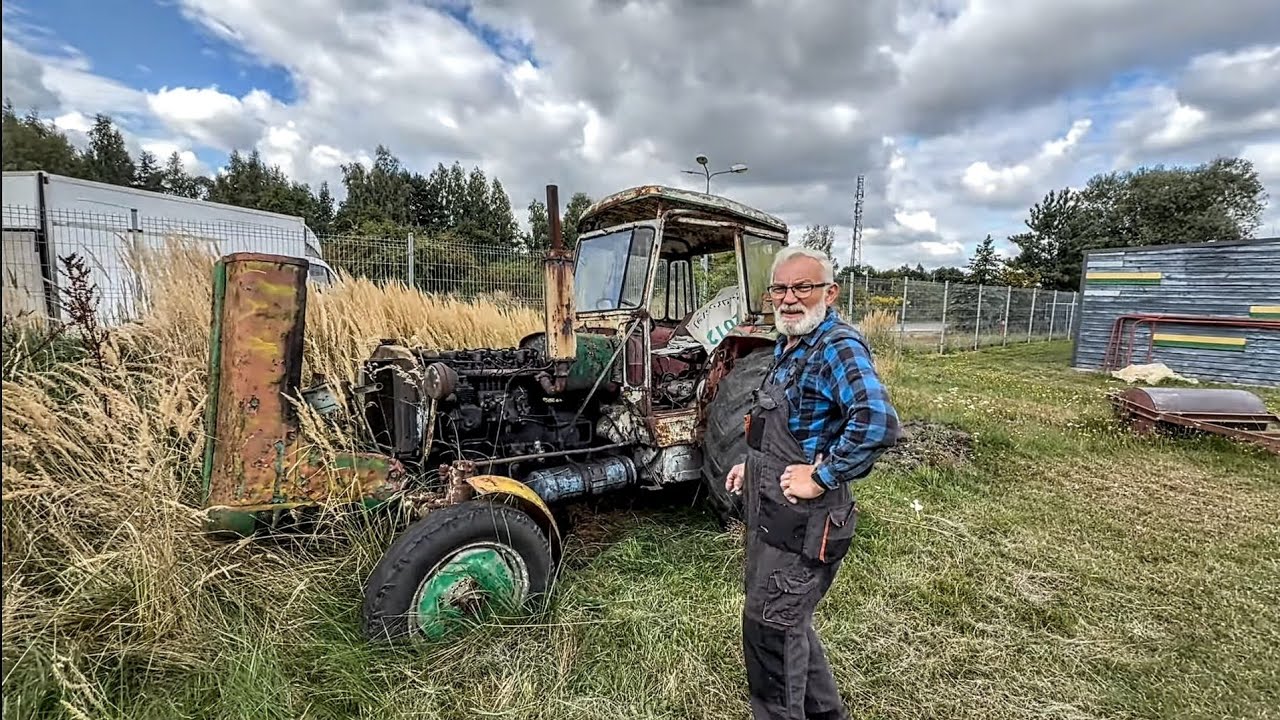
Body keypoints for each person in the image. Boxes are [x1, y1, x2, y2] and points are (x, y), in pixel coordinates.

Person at [725, 245, 900, 720]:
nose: (788, 298)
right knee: (786, 625)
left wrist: (822, 476)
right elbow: (783, 427)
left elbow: (877, 422)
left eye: (803, 287)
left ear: (830, 291)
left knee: (771, 634)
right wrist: (751, 463)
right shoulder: (790, 343)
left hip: (805, 524)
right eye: (780, 288)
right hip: (773, 516)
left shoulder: (836, 345)